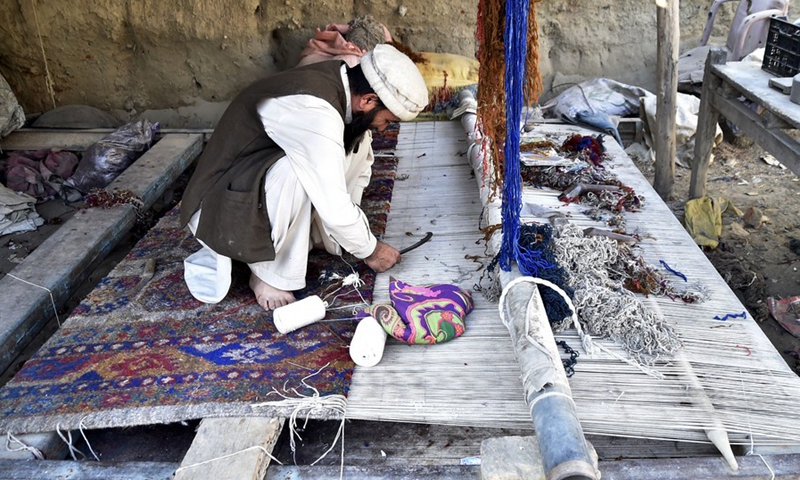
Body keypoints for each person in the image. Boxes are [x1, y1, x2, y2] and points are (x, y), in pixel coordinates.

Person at [180, 44, 428, 312]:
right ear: (367, 100)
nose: (385, 127)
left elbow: (356, 167)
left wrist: (352, 234)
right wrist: (372, 250)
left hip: (249, 181)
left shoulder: (341, 82)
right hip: (217, 204)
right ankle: (268, 274)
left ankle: (322, 235)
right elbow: (333, 203)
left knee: (360, 139)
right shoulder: (315, 110)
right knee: (297, 172)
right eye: (387, 120)